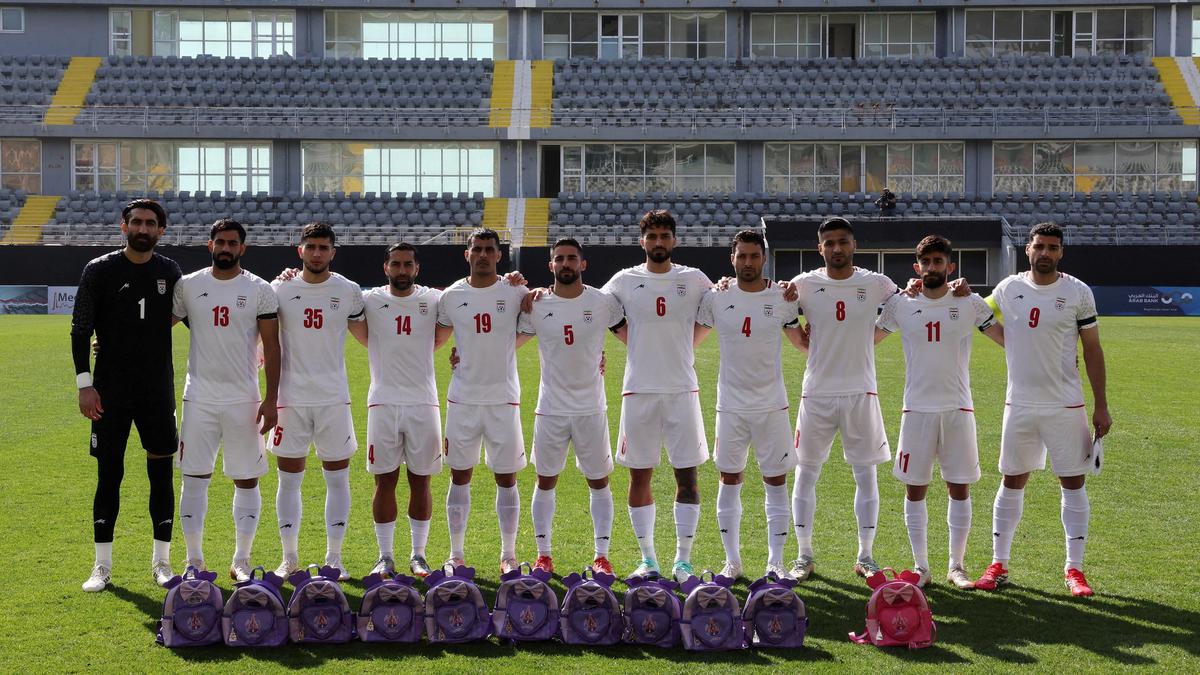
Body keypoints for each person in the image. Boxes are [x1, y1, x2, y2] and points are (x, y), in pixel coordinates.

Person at [975, 222, 1111, 597]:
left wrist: (1101, 405)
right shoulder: (1008, 288)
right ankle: (998, 564)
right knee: (1011, 481)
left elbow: (1093, 349)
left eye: (1053, 247)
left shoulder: (1078, 292)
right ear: (1028, 249)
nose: (1045, 253)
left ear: (1061, 252)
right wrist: (1011, 343)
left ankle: (1075, 570)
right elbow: (978, 313)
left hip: (1066, 405)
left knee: (1073, 483)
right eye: (1039, 246)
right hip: (1019, 404)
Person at [874, 234, 1004, 589]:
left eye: (938, 261)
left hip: (958, 408)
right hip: (916, 410)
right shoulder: (901, 304)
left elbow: (1008, 339)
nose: (932, 267)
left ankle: (956, 566)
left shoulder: (970, 302)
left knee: (958, 487)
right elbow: (868, 339)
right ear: (917, 267)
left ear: (951, 266)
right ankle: (921, 567)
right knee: (914, 489)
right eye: (926, 262)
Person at [72, 198, 182, 592]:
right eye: (136, 222)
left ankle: (162, 563)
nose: (143, 229)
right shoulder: (99, 269)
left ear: (161, 230)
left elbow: (193, 312)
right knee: (109, 474)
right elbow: (80, 329)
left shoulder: (170, 271)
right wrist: (85, 384)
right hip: (109, 391)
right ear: (123, 226)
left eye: (151, 223)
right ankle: (101, 566)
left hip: (156, 390)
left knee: (161, 475)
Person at [601, 209, 713, 582]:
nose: (659, 242)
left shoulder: (694, 279)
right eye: (652, 236)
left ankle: (683, 561)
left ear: (674, 240)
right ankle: (648, 559)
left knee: (688, 479)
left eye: (665, 236)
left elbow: (722, 304)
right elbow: (591, 307)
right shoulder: (623, 280)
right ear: (642, 241)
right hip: (639, 391)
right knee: (639, 478)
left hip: (682, 390)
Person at [786, 217, 898, 582]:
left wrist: (872, 338)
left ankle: (866, 555)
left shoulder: (876, 283)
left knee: (865, 473)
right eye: (829, 242)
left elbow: (907, 304)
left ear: (854, 245)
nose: (837, 248)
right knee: (806, 472)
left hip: (861, 393)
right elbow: (781, 313)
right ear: (820, 248)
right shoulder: (803, 284)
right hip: (816, 393)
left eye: (843, 241)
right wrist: (802, 340)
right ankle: (804, 555)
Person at [172, 219, 280, 582]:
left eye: (233, 243)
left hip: (244, 399)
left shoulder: (259, 289)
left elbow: (272, 346)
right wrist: (113, 342)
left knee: (247, 479)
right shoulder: (188, 285)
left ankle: (242, 560)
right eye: (220, 242)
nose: (226, 248)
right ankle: (194, 560)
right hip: (199, 398)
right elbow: (154, 328)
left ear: (242, 248)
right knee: (193, 478)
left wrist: (271, 398)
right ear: (210, 245)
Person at [696, 230, 804, 580]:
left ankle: (776, 562)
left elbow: (802, 342)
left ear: (764, 259)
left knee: (775, 481)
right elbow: (688, 340)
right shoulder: (716, 297)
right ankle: (733, 563)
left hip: (772, 406)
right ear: (732, 259)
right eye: (741, 255)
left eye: (754, 256)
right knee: (729, 479)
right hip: (730, 407)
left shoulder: (782, 297)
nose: (747, 262)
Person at [515, 238, 624, 575]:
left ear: (583, 264)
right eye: (559, 258)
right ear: (550, 265)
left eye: (571, 258)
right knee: (545, 480)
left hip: (591, 408)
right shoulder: (536, 304)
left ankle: (601, 556)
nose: (565, 263)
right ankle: (543, 555)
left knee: (599, 481)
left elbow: (632, 337)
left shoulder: (603, 302)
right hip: (551, 409)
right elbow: (506, 344)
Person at [269, 221, 365, 581]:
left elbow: (373, 336)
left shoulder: (349, 291)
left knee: (337, 479)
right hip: (290, 399)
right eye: (311, 247)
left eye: (323, 247)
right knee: (288, 480)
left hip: (333, 399)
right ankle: (289, 558)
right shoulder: (279, 288)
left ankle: (334, 558)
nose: (317, 253)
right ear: (300, 250)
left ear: (333, 252)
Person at [353, 243, 452, 578]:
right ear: (386, 268)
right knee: (385, 481)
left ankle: (418, 555)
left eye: (408, 264)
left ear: (417, 268)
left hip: (424, 402)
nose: (402, 270)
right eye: (395, 264)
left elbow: (459, 321)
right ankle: (384, 556)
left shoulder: (434, 299)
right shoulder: (369, 300)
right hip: (382, 402)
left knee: (421, 481)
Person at [436, 228, 530, 574]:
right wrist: (460, 355)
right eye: (477, 249)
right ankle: (456, 554)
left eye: (490, 249)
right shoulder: (451, 296)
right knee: (459, 475)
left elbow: (533, 327)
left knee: (507, 477)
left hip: (503, 399)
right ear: (467, 254)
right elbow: (437, 337)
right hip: (463, 399)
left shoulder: (516, 291)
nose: (483, 255)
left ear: (499, 255)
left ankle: (509, 555)